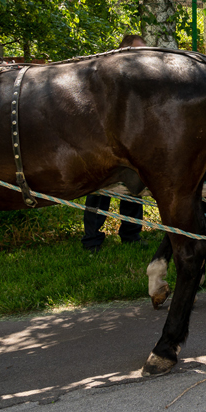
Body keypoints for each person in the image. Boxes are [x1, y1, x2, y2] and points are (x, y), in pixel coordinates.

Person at [81, 34, 147, 253]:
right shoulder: (106, 74)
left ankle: (131, 234)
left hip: (131, 143)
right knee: (99, 190)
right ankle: (92, 240)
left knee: (135, 186)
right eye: (138, 51)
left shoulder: (142, 79)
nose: (143, 57)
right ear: (124, 51)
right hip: (105, 143)